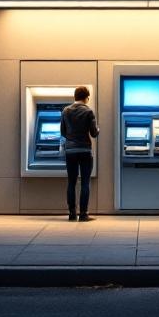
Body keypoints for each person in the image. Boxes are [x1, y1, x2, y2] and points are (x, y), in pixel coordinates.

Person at [61, 86, 99, 221]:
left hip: (70, 151)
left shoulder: (65, 111)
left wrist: (71, 138)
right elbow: (94, 133)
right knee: (85, 182)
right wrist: (98, 129)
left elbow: (63, 132)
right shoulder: (89, 112)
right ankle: (83, 214)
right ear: (86, 97)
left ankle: (72, 213)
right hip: (84, 151)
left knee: (71, 182)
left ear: (75, 97)